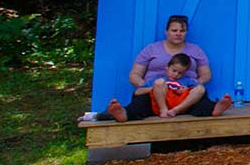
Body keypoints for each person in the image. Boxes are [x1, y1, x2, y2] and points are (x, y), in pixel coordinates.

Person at [99, 14, 231, 121]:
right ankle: (124, 114)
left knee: (201, 98)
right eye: (174, 30)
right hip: (155, 91)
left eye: (182, 30)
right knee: (140, 104)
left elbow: (206, 74)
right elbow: (134, 74)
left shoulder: (195, 50)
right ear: (166, 31)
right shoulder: (151, 49)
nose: (178, 33)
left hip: (184, 92)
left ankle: (214, 109)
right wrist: (150, 87)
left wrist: (192, 86)